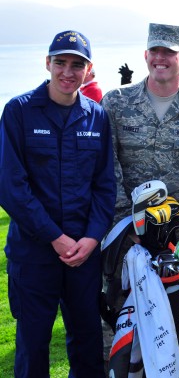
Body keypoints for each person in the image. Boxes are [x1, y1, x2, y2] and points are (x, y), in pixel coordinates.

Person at [0, 30, 116, 377]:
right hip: (35, 253)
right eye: (61, 62)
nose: (68, 71)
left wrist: (93, 237)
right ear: (47, 63)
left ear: (88, 69)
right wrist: (54, 236)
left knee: (87, 341)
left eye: (77, 64)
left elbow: (104, 185)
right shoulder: (19, 111)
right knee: (33, 344)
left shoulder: (97, 117)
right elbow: (11, 187)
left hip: (83, 252)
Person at [100, 23, 179, 355]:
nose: (161, 58)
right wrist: (130, 224)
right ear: (146, 55)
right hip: (123, 233)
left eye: (169, 52)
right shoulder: (117, 103)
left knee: (171, 322)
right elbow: (106, 166)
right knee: (116, 324)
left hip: (175, 236)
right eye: (155, 51)